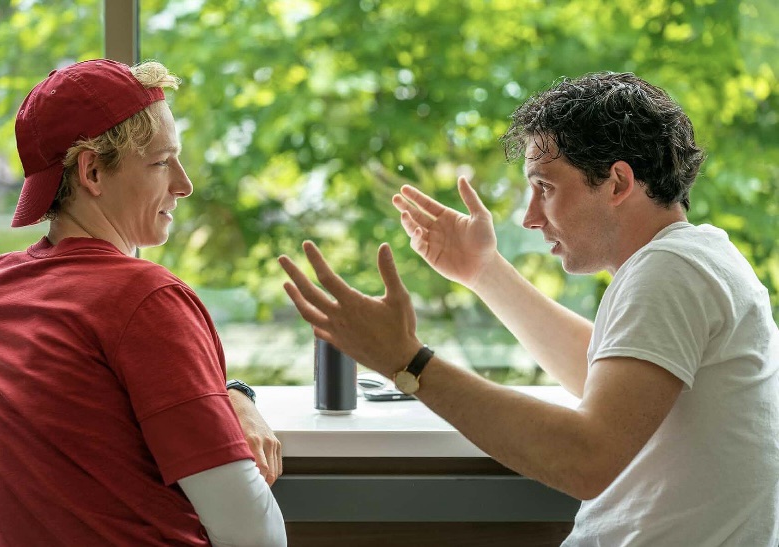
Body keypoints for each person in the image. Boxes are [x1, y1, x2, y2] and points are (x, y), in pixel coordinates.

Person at [278, 72, 779, 545]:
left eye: (545, 187)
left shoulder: (670, 270)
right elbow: (601, 376)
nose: (529, 217)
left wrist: (407, 362)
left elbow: (586, 458)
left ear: (617, 183)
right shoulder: (695, 258)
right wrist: (484, 271)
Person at [0, 59, 287, 546]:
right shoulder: (146, 299)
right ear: (93, 171)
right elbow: (253, 533)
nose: (184, 184)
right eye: (161, 162)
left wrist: (233, 394)